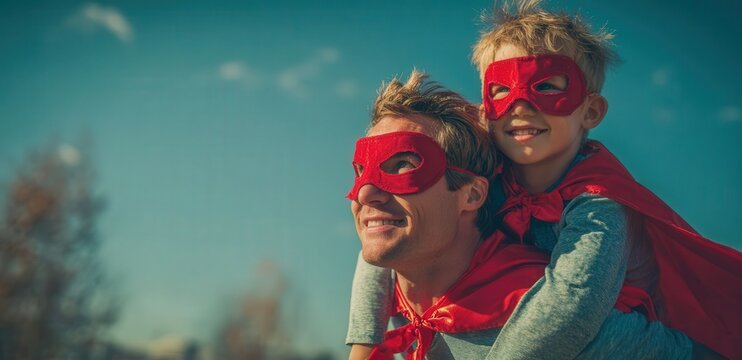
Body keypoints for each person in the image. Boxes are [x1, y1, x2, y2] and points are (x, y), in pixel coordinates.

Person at [348, 1, 741, 359]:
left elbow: (568, 309)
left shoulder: (601, 205)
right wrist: (364, 344)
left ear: (591, 111)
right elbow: (383, 242)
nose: (520, 105)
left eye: (547, 87)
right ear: (486, 109)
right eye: (501, 89)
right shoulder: (488, 169)